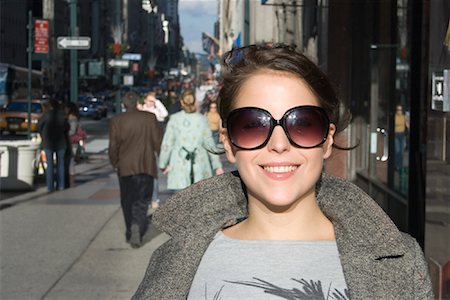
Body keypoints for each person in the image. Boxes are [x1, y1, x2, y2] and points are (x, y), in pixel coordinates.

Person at [133, 44, 433, 299]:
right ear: (228, 142)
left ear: (327, 140)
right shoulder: (174, 262)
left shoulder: (402, 262)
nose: (279, 144)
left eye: (302, 124)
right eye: (253, 125)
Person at [108, 91, 162, 248]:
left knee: (127, 199)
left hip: (125, 167)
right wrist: (162, 160)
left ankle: (130, 229)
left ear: (124, 105)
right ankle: (138, 224)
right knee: (142, 199)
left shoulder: (117, 120)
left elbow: (113, 146)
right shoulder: (149, 118)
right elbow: (157, 142)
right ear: (137, 102)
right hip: (146, 165)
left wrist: (115, 162)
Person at [158, 89, 224, 191]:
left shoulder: (174, 119)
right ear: (194, 102)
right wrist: (217, 165)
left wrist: (163, 163)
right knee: (199, 202)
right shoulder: (202, 119)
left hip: (179, 164)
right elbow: (209, 143)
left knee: (181, 202)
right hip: (200, 163)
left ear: (181, 102)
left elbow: (167, 143)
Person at [138, 91, 169, 209]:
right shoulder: (141, 111)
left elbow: (165, 114)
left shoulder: (157, 112)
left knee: (153, 174)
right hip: (142, 145)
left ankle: (154, 198)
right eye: (150, 100)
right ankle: (145, 197)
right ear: (145, 100)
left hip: (153, 146)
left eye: (153, 100)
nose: (152, 103)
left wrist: (157, 102)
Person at [38, 99, 70, 192]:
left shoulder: (45, 115)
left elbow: (39, 127)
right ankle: (61, 185)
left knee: (50, 164)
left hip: (48, 142)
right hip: (61, 142)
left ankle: (50, 186)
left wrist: (43, 135)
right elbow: (67, 127)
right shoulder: (62, 115)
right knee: (61, 165)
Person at [394, 103, 408, 170]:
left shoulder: (404, 117)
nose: (399, 111)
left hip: (402, 134)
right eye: (398, 110)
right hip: (396, 134)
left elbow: (407, 124)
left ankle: (400, 165)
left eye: (400, 110)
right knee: (397, 150)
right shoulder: (395, 117)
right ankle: (397, 165)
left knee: (401, 151)